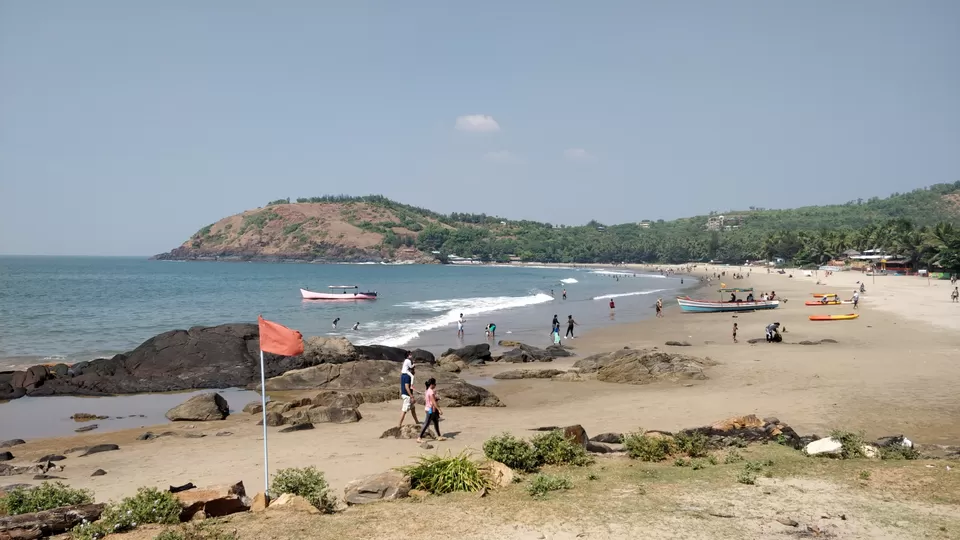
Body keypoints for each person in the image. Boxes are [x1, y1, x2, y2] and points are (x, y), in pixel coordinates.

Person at [417, 378, 445, 443]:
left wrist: (436, 398)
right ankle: (419, 437)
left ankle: (439, 436)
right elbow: (433, 402)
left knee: (436, 422)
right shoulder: (431, 391)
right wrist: (439, 409)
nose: (435, 385)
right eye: (435, 384)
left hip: (430, 409)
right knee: (426, 423)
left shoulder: (427, 391)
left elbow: (429, 400)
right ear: (432, 384)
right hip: (430, 410)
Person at [398, 358, 420, 428]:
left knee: (413, 409)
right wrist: (411, 396)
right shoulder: (408, 376)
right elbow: (407, 386)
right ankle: (399, 424)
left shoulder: (403, 375)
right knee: (404, 410)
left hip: (405, 394)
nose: (414, 371)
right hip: (407, 395)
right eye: (413, 369)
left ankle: (417, 421)